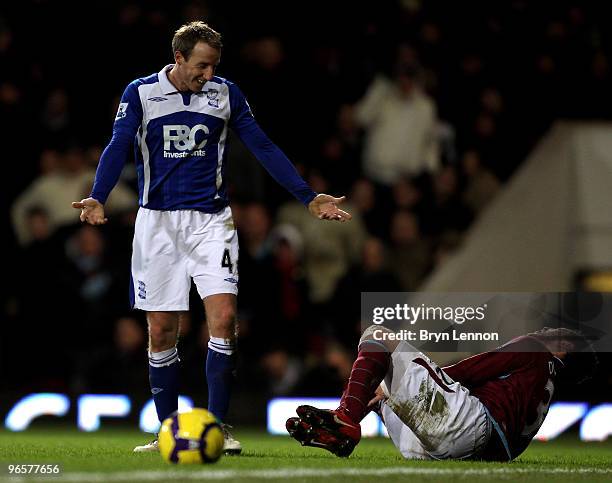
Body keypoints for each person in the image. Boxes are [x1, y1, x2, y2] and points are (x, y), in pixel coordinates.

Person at [72, 21, 351, 455]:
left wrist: (307, 196)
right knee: (162, 330)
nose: (208, 74)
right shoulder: (141, 93)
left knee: (222, 321)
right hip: (157, 224)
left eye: (214, 66)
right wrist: (97, 196)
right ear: (178, 57)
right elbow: (118, 143)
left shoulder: (226, 93)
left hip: (211, 223)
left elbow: (262, 145)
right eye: (201, 65)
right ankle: (169, 430)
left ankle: (218, 425)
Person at [287, 326, 597, 460]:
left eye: (558, 332)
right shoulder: (545, 385)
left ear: (566, 348)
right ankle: (341, 423)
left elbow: (466, 372)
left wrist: (429, 372)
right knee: (384, 384)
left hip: (466, 426)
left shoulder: (535, 349)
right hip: (459, 449)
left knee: (377, 336)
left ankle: (345, 420)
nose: (547, 330)